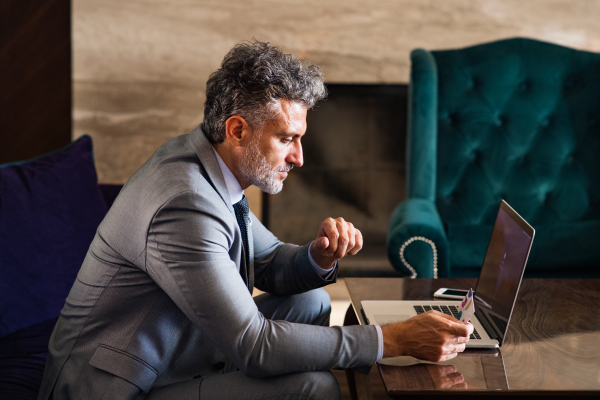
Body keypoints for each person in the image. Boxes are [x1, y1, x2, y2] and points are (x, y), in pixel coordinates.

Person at [38, 40, 473, 400]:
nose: (299, 158)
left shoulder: (211, 164)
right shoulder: (185, 201)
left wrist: (318, 257)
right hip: (118, 386)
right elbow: (255, 345)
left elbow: (266, 263)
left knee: (313, 300)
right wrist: (391, 340)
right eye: (287, 139)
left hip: (175, 345)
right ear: (238, 130)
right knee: (313, 387)